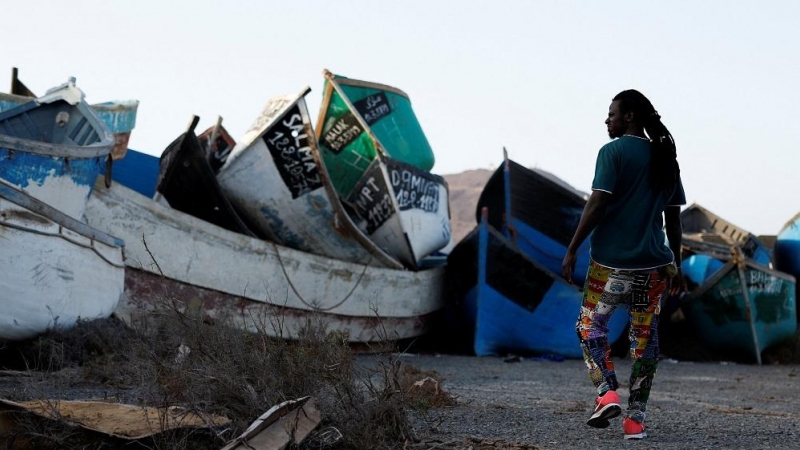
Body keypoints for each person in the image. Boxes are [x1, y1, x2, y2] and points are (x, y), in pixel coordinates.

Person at [561, 89, 686, 440]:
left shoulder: (612, 152)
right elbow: (673, 220)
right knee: (645, 342)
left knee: (590, 328)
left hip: (610, 266)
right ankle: (635, 421)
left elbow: (598, 202)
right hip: (654, 268)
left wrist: (572, 248)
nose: (607, 119)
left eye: (612, 113)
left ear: (629, 116)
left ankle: (606, 393)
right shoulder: (665, 158)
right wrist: (675, 265)